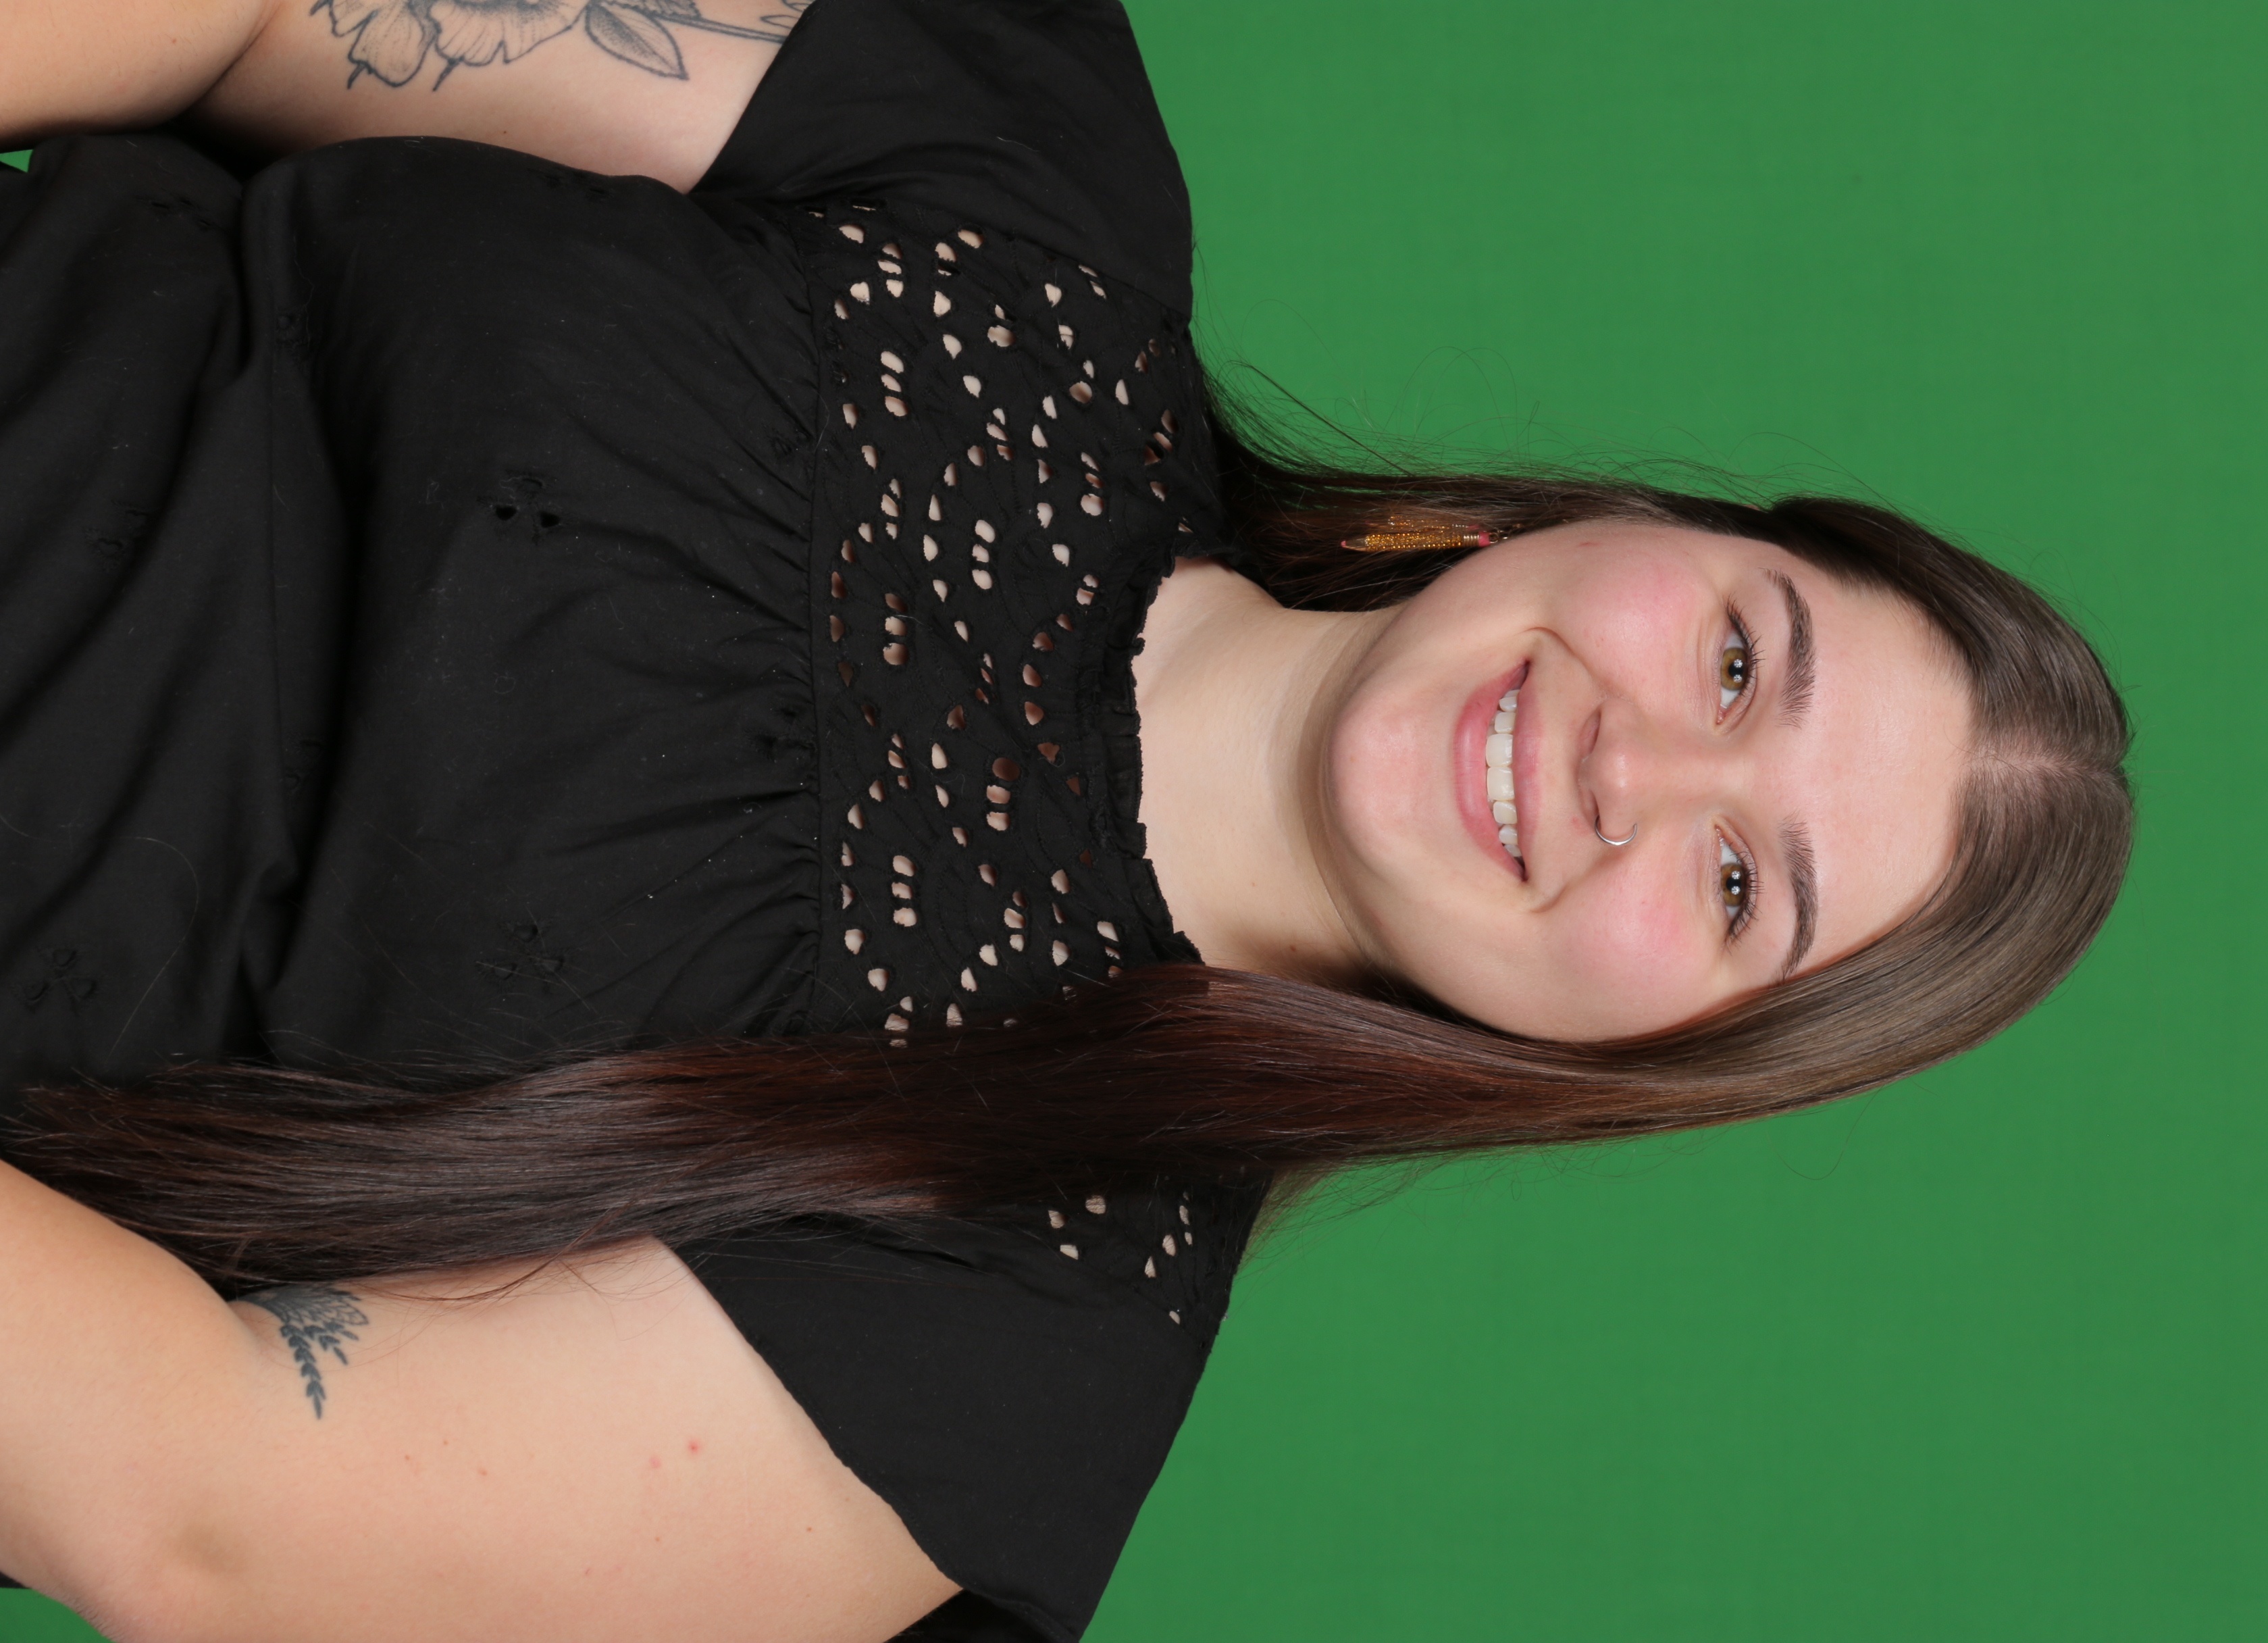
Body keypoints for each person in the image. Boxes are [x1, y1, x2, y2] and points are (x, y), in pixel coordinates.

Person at [0, 1, 2132, 1639]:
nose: (1632, 767)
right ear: (1635, 521)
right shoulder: (1019, 145)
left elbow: (209, 1509)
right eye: (1743, 659)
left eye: (1743, 885)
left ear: (1656, 1058)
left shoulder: (1008, 1363)